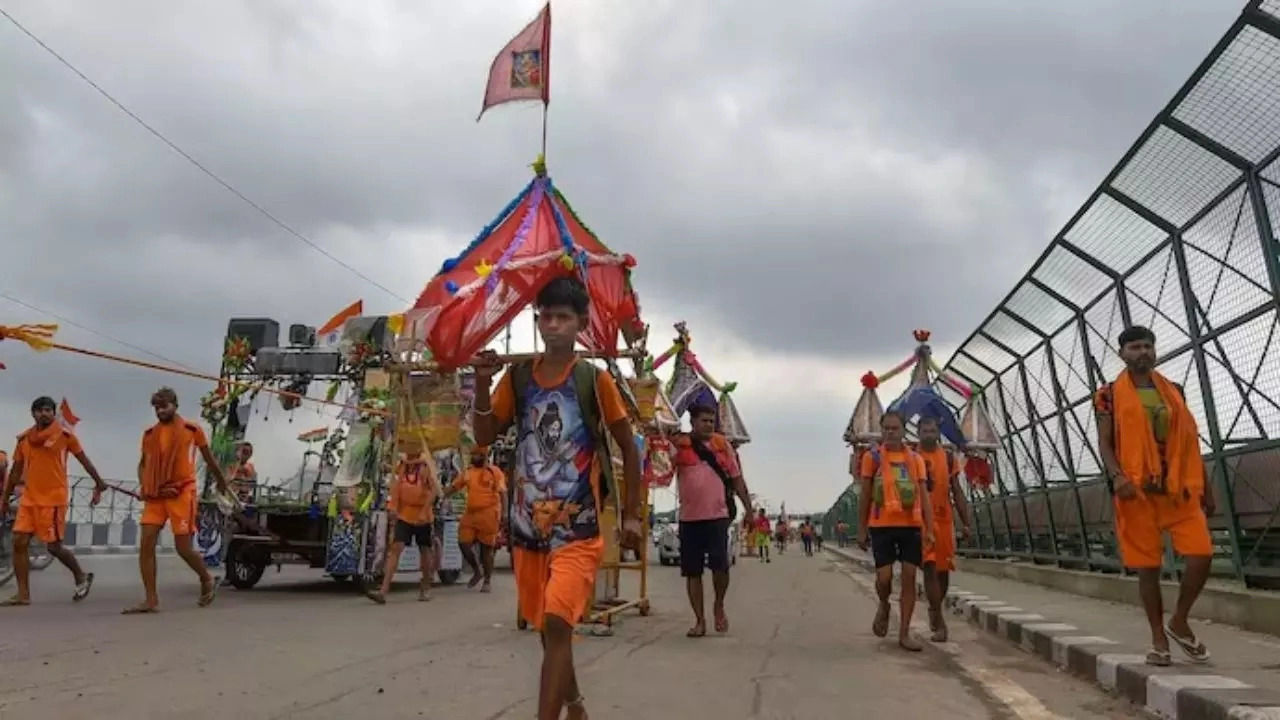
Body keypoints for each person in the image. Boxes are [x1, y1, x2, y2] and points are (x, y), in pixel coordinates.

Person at [472, 276, 643, 720]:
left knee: (556, 622)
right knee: (549, 632)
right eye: (545, 316)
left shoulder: (594, 380)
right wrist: (480, 382)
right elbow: (486, 435)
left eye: (563, 318)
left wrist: (632, 517)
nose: (553, 326)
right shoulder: (520, 377)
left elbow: (629, 445)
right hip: (529, 530)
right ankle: (576, 706)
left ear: (581, 324)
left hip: (578, 529)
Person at [1095, 326, 1214, 666]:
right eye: (1134, 347)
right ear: (1122, 353)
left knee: (1202, 555)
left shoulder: (1173, 391)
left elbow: (1189, 439)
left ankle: (1179, 621)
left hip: (1179, 489)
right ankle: (1158, 638)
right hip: (1136, 492)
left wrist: (1206, 484)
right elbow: (1106, 441)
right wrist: (1117, 477)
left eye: (1148, 346)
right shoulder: (1108, 395)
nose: (1142, 352)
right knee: (1148, 568)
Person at [123, 387, 229, 614]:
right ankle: (150, 599)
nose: (161, 411)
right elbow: (143, 464)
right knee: (146, 544)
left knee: (183, 548)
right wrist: (144, 486)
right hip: (155, 495)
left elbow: (209, 459)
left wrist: (222, 482)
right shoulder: (150, 434)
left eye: (165, 406)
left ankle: (206, 578)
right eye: (157, 408)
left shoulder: (192, 430)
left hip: (182, 493)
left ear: (175, 405)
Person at [0, 396, 109, 606]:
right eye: (40, 410)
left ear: (53, 413)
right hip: (29, 499)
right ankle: (23, 594)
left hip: (53, 499)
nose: (44, 413)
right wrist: (5, 499)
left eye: (48, 410)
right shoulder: (24, 440)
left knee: (53, 547)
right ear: (33, 414)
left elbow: (84, 461)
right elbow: (15, 471)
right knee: (19, 542)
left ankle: (81, 576)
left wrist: (99, 482)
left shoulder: (65, 436)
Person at [672, 403, 753, 638]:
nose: (708, 424)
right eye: (704, 420)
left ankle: (719, 604)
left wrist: (748, 510)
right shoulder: (680, 446)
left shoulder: (722, 447)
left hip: (718, 517)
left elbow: (737, 480)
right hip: (689, 519)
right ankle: (699, 620)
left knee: (720, 567)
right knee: (692, 572)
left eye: (711, 420)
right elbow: (662, 469)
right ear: (693, 422)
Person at [856, 411, 935, 652]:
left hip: (911, 525)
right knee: (885, 578)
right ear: (882, 431)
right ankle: (884, 603)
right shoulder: (873, 458)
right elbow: (866, 494)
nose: (891, 433)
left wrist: (929, 528)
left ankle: (904, 633)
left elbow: (924, 495)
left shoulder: (915, 459)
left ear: (903, 430)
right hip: (881, 525)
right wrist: (861, 529)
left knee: (910, 577)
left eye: (895, 428)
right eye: (886, 429)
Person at [916, 416, 972, 643]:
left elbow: (957, 491)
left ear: (938, 433)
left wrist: (966, 522)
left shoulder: (948, 458)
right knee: (929, 567)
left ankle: (935, 607)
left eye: (932, 430)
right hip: (920, 522)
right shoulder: (912, 456)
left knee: (943, 571)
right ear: (918, 433)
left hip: (943, 520)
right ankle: (939, 620)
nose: (929, 434)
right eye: (925, 431)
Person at [369, 450, 440, 604]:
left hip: (423, 518)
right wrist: (393, 508)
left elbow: (433, 491)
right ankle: (383, 591)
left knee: (425, 551)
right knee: (395, 549)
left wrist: (423, 511)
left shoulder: (425, 466)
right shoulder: (402, 466)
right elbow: (396, 488)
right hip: (404, 516)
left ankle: (425, 587)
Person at [443, 445, 507, 593]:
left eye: (476, 455)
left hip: (489, 514)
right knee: (463, 543)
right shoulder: (468, 473)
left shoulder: (495, 472)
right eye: (473, 455)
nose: (473, 457)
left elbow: (503, 493)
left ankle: (487, 580)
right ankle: (477, 570)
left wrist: (504, 514)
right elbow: (454, 487)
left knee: (487, 549)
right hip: (470, 514)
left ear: (484, 456)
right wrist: (441, 494)